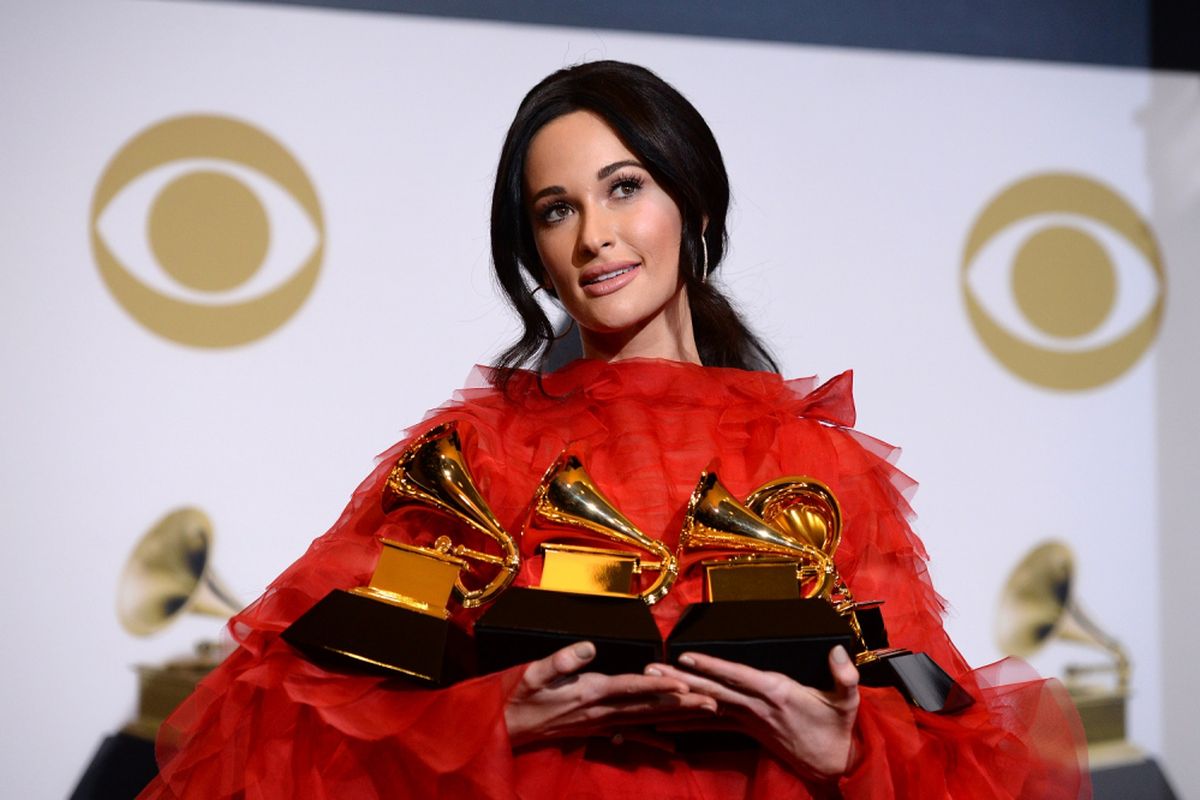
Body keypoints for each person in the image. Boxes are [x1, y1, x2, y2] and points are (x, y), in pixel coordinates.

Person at [140, 61, 1089, 799]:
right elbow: (298, 714)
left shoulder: (815, 467)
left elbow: (949, 742)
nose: (595, 233)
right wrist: (491, 721)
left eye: (625, 187)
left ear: (694, 203)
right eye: (558, 209)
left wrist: (845, 745)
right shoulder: (471, 465)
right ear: (534, 253)